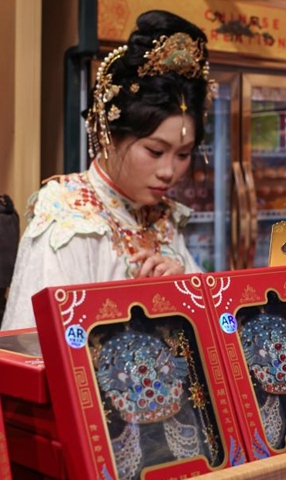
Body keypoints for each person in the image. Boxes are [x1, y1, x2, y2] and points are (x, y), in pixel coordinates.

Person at [1, 10, 213, 330]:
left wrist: (182, 288)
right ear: (108, 134)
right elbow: (37, 347)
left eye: (183, 154)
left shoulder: (160, 216)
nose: (169, 171)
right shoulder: (70, 215)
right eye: (155, 151)